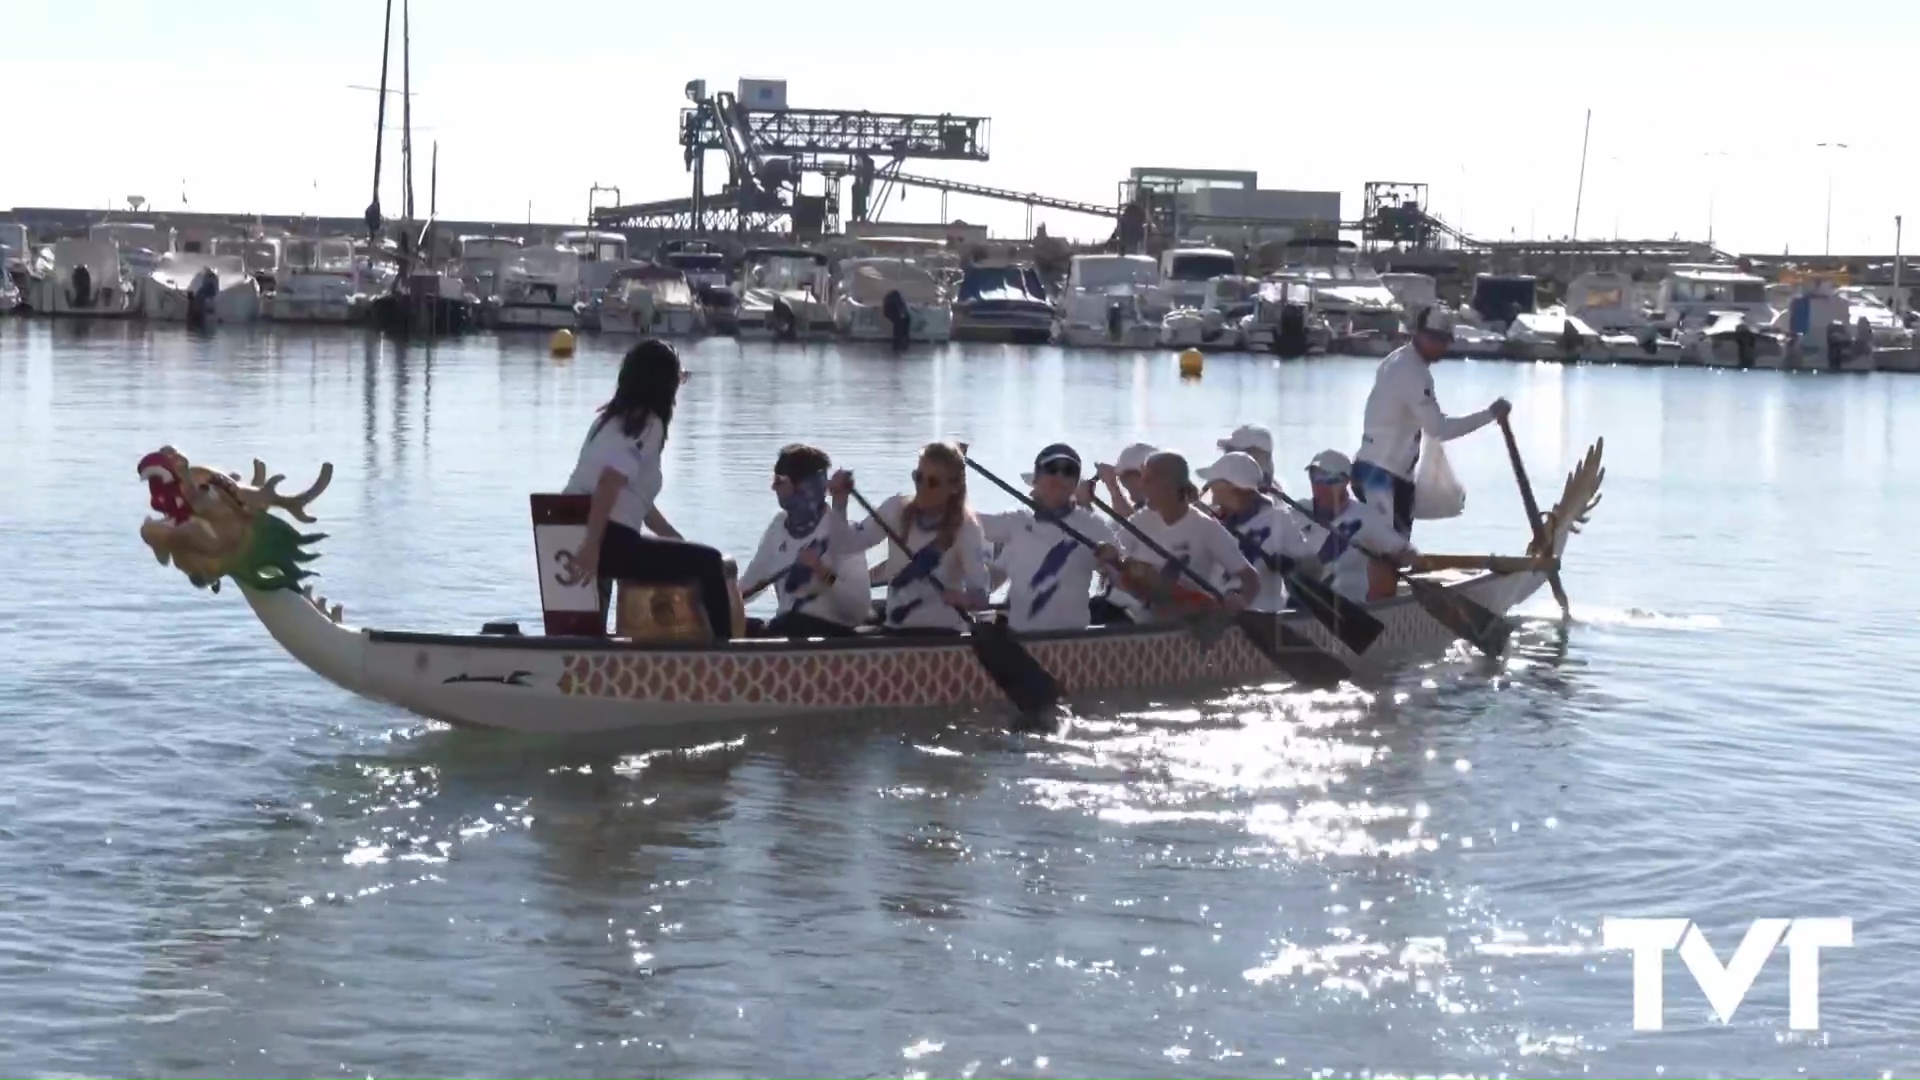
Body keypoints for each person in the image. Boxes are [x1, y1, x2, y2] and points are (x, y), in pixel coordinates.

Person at [556, 339, 736, 640]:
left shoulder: (608, 421)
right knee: (710, 563)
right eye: (678, 378)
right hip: (605, 539)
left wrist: (675, 540)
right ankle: (726, 657)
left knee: (693, 556)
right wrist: (591, 546)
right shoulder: (648, 423)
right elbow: (609, 483)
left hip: (571, 531)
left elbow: (638, 502)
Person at [1354, 305, 1510, 540]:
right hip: (1381, 476)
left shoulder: (1397, 359)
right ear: (1419, 335)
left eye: (1445, 340)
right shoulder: (1413, 372)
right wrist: (1489, 415)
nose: (1442, 346)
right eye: (1436, 339)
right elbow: (1438, 429)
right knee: (1391, 550)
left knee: (1390, 548)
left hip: (1376, 470)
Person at [828, 440, 991, 635]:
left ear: (954, 486)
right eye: (918, 477)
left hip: (943, 635)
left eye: (933, 482)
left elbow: (981, 596)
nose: (922, 487)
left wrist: (962, 598)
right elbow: (845, 545)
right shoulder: (895, 509)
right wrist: (839, 502)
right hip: (896, 630)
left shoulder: (966, 528)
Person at [977, 443, 1122, 632]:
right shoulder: (1016, 521)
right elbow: (965, 522)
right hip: (1020, 639)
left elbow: (1123, 578)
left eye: (1069, 471)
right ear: (1036, 479)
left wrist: (1114, 561)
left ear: (1075, 483)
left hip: (1072, 640)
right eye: (1052, 468)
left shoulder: (1093, 526)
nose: (1059, 476)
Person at [738, 444, 872, 637]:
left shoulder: (843, 534)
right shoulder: (778, 527)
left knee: (792, 624)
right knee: (727, 624)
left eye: (779, 481)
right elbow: (750, 583)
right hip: (786, 626)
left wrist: (823, 572)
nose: (773, 487)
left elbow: (858, 611)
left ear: (803, 487)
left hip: (828, 633)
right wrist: (722, 602)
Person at [1110, 451, 1259, 621]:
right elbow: (1114, 555)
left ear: (1170, 486)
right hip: (1141, 617)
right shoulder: (1140, 520)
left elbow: (1250, 578)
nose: (1142, 487)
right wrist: (1109, 558)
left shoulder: (1207, 528)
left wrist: (1242, 600)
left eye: (1149, 480)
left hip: (1190, 622)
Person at [1195, 450, 1318, 612]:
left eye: (1217, 491)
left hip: (1263, 615)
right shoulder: (1214, 524)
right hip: (1220, 614)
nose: (1214, 499)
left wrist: (1293, 565)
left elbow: (1314, 569)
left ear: (1237, 489)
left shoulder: (1278, 520)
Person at [1302, 449, 1414, 604]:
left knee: (1383, 568)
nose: (1319, 486)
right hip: (1302, 604)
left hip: (1351, 608)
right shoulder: (1296, 512)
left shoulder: (1366, 518)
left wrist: (1398, 559)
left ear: (1345, 481)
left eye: (1328, 479)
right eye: (1314, 477)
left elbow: (1406, 551)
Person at [1216, 424, 1277, 493]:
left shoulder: (1230, 492)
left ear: (1255, 455)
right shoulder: (1276, 489)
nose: (1226, 458)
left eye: (1230, 451)